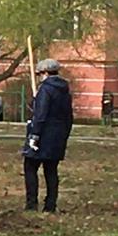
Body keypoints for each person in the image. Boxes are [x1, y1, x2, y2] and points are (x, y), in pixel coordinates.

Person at [24, 58, 73, 213]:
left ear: (45, 73)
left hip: (43, 136)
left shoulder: (45, 89)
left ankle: (32, 204)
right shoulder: (64, 90)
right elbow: (68, 117)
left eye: (40, 74)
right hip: (58, 137)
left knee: (30, 167)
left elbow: (41, 115)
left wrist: (34, 135)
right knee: (51, 171)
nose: (39, 77)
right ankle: (50, 205)